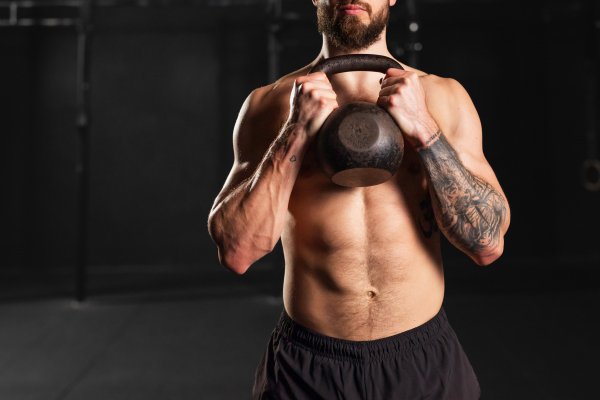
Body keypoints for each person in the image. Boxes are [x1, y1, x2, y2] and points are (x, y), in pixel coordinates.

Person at [208, 0, 510, 398]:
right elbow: (237, 251)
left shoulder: (441, 98)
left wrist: (424, 130)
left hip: (421, 361)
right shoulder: (270, 105)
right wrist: (295, 132)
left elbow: (487, 244)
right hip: (308, 366)